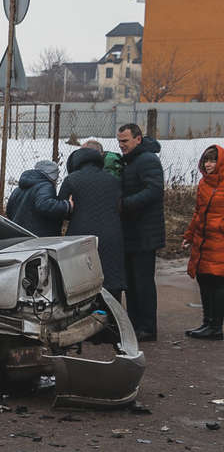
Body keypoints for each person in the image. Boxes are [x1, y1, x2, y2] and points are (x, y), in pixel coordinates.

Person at [58, 147, 126, 302]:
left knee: (82, 281)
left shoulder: (72, 180)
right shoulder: (113, 180)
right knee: (110, 278)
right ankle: (113, 320)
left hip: (80, 236)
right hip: (112, 235)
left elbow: (62, 209)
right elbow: (120, 206)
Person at [118, 123, 165, 342]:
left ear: (138, 139)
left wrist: (126, 204)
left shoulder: (147, 160)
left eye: (125, 141)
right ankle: (136, 325)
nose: (121, 146)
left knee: (143, 282)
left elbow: (154, 190)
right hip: (131, 231)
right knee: (131, 282)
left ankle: (147, 327)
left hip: (145, 233)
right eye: (119, 142)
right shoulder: (131, 160)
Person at [182, 145, 224, 340]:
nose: (209, 164)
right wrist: (189, 236)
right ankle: (207, 322)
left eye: (213, 160)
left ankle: (216, 326)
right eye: (206, 160)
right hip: (203, 241)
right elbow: (198, 213)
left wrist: (219, 226)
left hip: (219, 241)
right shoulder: (204, 184)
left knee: (216, 282)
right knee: (204, 279)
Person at [6, 160, 72, 237]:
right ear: (52, 175)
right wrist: (67, 205)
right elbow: (45, 205)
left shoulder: (18, 189)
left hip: (19, 234)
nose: (56, 181)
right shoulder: (45, 186)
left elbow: (9, 211)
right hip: (39, 237)